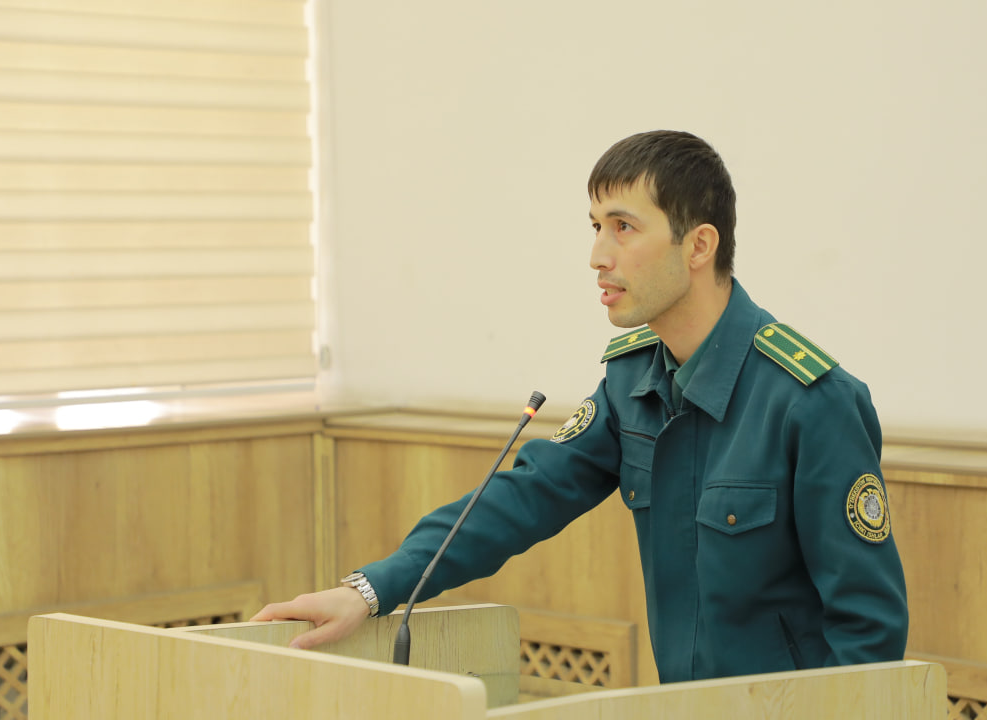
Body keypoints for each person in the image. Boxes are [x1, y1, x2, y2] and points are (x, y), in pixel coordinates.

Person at [252, 130, 909, 683]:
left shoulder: (810, 401)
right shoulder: (632, 381)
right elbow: (523, 497)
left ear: (698, 245)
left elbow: (869, 632)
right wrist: (369, 590)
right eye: (596, 228)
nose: (597, 256)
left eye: (623, 228)